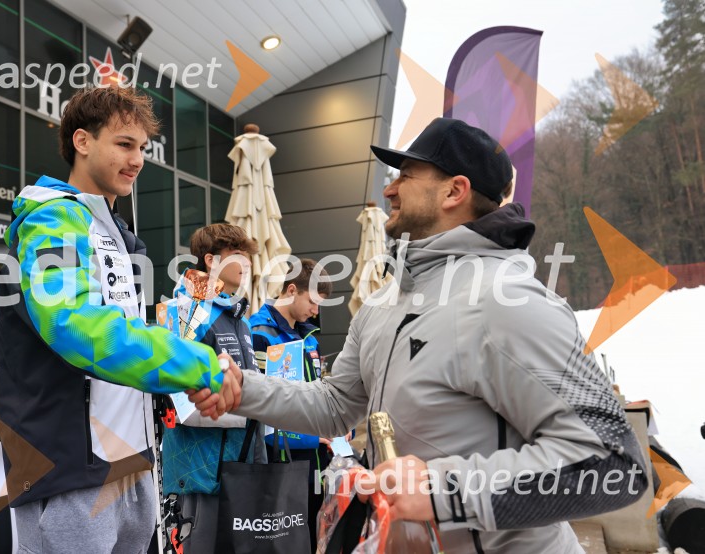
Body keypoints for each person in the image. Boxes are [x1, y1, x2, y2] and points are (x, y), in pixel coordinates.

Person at [192, 118, 649, 553]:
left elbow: (614, 463)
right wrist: (240, 388)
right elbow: (333, 406)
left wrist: (442, 490)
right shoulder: (381, 304)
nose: (389, 188)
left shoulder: (509, 300)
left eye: (405, 175)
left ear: (455, 190)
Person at [0, 86, 240, 554]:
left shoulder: (117, 232)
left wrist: (180, 375)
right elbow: (74, 324)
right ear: (83, 141)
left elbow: (129, 336)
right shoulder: (50, 218)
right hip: (68, 472)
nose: (139, 159)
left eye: (143, 148)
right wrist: (197, 364)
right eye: (125, 144)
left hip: (131, 463)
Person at [162, 223, 264, 553]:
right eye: (238, 255)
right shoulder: (183, 311)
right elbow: (180, 403)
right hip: (199, 478)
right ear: (211, 261)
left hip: (241, 471)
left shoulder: (241, 318)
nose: (247, 264)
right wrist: (252, 408)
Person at [249, 258, 334, 552]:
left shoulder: (309, 336)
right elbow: (261, 407)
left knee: (313, 536)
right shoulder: (258, 333)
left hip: (316, 460)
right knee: (285, 541)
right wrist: (312, 436)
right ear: (291, 290)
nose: (316, 311)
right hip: (282, 461)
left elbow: (318, 391)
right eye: (312, 301)